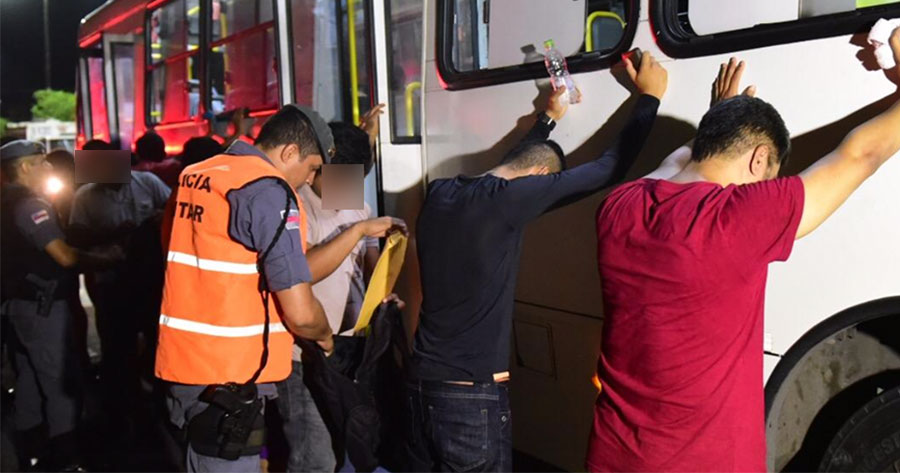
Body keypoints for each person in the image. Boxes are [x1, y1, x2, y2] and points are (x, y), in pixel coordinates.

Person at [587, 30, 900, 472]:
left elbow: (676, 163)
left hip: (614, 456)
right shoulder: (735, 220)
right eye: (769, 173)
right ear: (758, 161)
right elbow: (861, 155)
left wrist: (721, 115)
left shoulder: (619, 206)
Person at [406, 53, 668, 472]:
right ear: (540, 180)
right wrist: (649, 98)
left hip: (422, 385)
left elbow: (511, 165)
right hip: (471, 396)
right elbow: (607, 168)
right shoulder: (507, 202)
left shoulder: (440, 193)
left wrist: (548, 119)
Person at [155, 104, 400, 473]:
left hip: (186, 365)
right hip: (230, 372)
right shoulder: (270, 192)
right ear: (289, 153)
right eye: (314, 168)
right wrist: (326, 340)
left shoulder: (197, 174)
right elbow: (301, 312)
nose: (307, 179)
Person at [275, 105, 403, 472]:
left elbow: (366, 261)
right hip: (307, 354)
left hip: (351, 348)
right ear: (317, 166)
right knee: (314, 456)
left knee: (352, 445)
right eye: (338, 179)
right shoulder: (295, 205)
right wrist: (358, 233)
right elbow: (301, 272)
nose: (344, 190)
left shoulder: (352, 200)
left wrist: (383, 292)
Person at [0, 140, 120, 470]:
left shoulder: (7, 201)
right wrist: (105, 259)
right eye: (42, 162)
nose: (49, 167)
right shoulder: (29, 206)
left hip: (19, 306)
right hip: (43, 309)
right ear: (24, 168)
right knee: (60, 384)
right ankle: (68, 458)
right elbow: (64, 256)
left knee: (27, 379)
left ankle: (31, 451)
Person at [68, 145, 172, 441]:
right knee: (117, 350)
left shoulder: (147, 183)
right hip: (111, 284)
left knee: (158, 343)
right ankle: (123, 414)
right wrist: (116, 232)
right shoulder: (85, 197)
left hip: (150, 281)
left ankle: (159, 404)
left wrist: (156, 220)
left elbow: (171, 208)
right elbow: (75, 236)